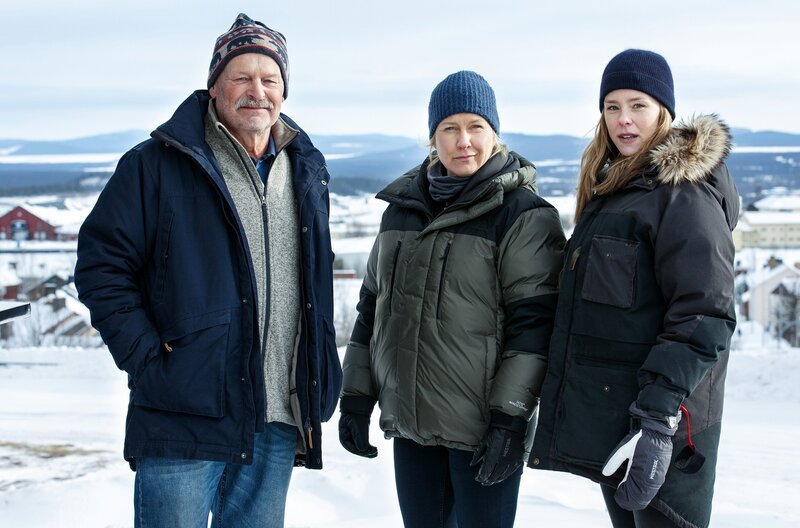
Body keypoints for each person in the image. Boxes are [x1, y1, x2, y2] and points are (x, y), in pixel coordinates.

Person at [74, 13, 341, 527]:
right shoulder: (156, 164)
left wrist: (319, 370)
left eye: (269, 79)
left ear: (284, 91)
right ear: (215, 85)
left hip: (278, 413)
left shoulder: (306, 168)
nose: (256, 91)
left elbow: (316, 282)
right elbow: (101, 264)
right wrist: (147, 356)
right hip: (185, 406)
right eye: (241, 77)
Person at [338, 70, 566, 528]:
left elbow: (534, 327)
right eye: (450, 128)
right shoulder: (401, 211)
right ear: (432, 138)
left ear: (494, 135)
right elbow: (371, 310)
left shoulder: (522, 216)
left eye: (475, 127)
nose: (464, 141)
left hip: (483, 431)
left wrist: (510, 421)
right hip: (413, 428)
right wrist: (356, 397)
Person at [529, 49, 739, 528]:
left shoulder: (683, 194)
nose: (624, 120)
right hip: (625, 417)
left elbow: (704, 314)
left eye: (638, 105)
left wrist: (658, 419)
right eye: (612, 107)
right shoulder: (620, 187)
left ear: (663, 110)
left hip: (668, 422)